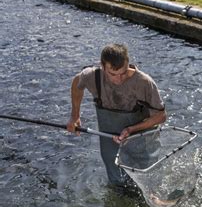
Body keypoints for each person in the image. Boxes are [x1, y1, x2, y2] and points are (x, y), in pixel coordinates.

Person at [67, 43, 166, 187]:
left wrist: (131, 129)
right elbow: (77, 83)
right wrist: (74, 116)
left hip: (141, 141)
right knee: (116, 183)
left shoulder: (144, 83)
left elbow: (161, 116)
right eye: (112, 74)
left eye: (123, 73)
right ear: (102, 66)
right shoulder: (92, 76)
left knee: (147, 183)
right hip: (109, 139)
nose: (119, 79)